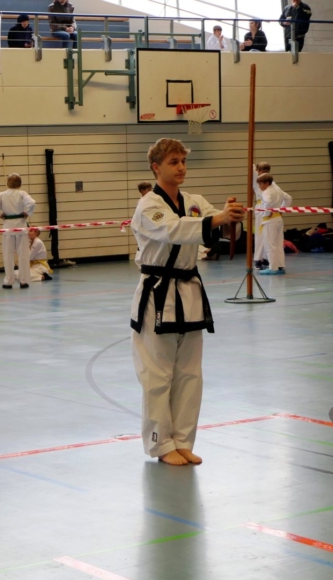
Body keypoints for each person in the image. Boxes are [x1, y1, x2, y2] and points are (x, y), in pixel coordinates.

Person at [129, 138, 244, 466]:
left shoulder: (195, 201)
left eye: (183, 161)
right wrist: (218, 219)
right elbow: (174, 230)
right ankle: (160, 444)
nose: (181, 167)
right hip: (157, 294)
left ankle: (182, 440)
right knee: (157, 375)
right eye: (173, 162)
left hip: (189, 291)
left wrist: (232, 217)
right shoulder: (149, 205)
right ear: (156, 167)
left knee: (190, 374)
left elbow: (220, 230)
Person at [0, 173, 36, 289]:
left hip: (8, 227)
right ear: (20, 183)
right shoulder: (22, 193)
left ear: (7, 183)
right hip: (21, 226)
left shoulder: (2, 195)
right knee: (23, 255)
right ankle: (24, 281)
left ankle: (8, 281)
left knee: (8, 255)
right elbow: (32, 203)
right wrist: (27, 212)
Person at [255, 173, 292, 275]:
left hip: (269, 220)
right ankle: (280, 266)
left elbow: (267, 202)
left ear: (267, 183)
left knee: (270, 244)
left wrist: (267, 213)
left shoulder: (266, 192)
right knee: (278, 244)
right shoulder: (277, 190)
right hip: (278, 219)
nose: (259, 186)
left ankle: (273, 267)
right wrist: (281, 210)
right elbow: (288, 198)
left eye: (260, 184)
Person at [251, 162, 276, 269]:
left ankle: (262, 258)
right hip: (266, 207)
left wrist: (254, 166)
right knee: (264, 234)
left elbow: (252, 169)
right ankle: (262, 258)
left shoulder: (262, 180)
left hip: (264, 207)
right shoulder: (266, 180)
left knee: (263, 234)